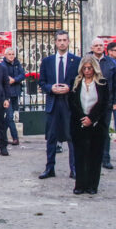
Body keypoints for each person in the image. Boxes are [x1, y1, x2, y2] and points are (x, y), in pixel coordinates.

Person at [38, 30, 80, 179]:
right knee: (51, 138)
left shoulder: (76, 61)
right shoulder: (47, 61)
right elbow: (41, 82)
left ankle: (74, 169)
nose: (62, 42)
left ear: (68, 42)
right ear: (55, 42)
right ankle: (50, 168)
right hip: (53, 103)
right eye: (59, 40)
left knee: (72, 138)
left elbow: (79, 81)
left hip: (69, 104)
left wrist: (70, 88)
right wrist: (51, 88)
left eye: (64, 40)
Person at [69, 56, 111, 195]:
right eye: (85, 68)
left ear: (95, 68)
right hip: (79, 124)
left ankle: (92, 185)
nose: (87, 71)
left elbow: (103, 104)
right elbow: (73, 103)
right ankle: (80, 185)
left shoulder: (102, 83)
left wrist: (91, 119)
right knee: (80, 155)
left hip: (96, 125)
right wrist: (83, 118)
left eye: (90, 68)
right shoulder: (76, 82)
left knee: (95, 155)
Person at [90, 38, 116, 170]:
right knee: (89, 130)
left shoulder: (111, 62)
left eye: (101, 45)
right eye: (96, 46)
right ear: (92, 47)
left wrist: (115, 101)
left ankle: (105, 158)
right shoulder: (86, 61)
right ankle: (91, 157)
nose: (99, 48)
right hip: (90, 102)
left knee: (104, 130)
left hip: (106, 103)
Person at [2, 48, 25, 146]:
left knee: (10, 116)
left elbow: (23, 75)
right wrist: (10, 80)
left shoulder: (17, 64)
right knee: (10, 116)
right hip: (8, 95)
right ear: (5, 55)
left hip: (16, 93)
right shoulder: (2, 65)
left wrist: (15, 80)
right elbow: (4, 78)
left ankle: (1, 135)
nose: (11, 56)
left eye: (12, 54)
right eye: (9, 54)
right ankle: (15, 138)